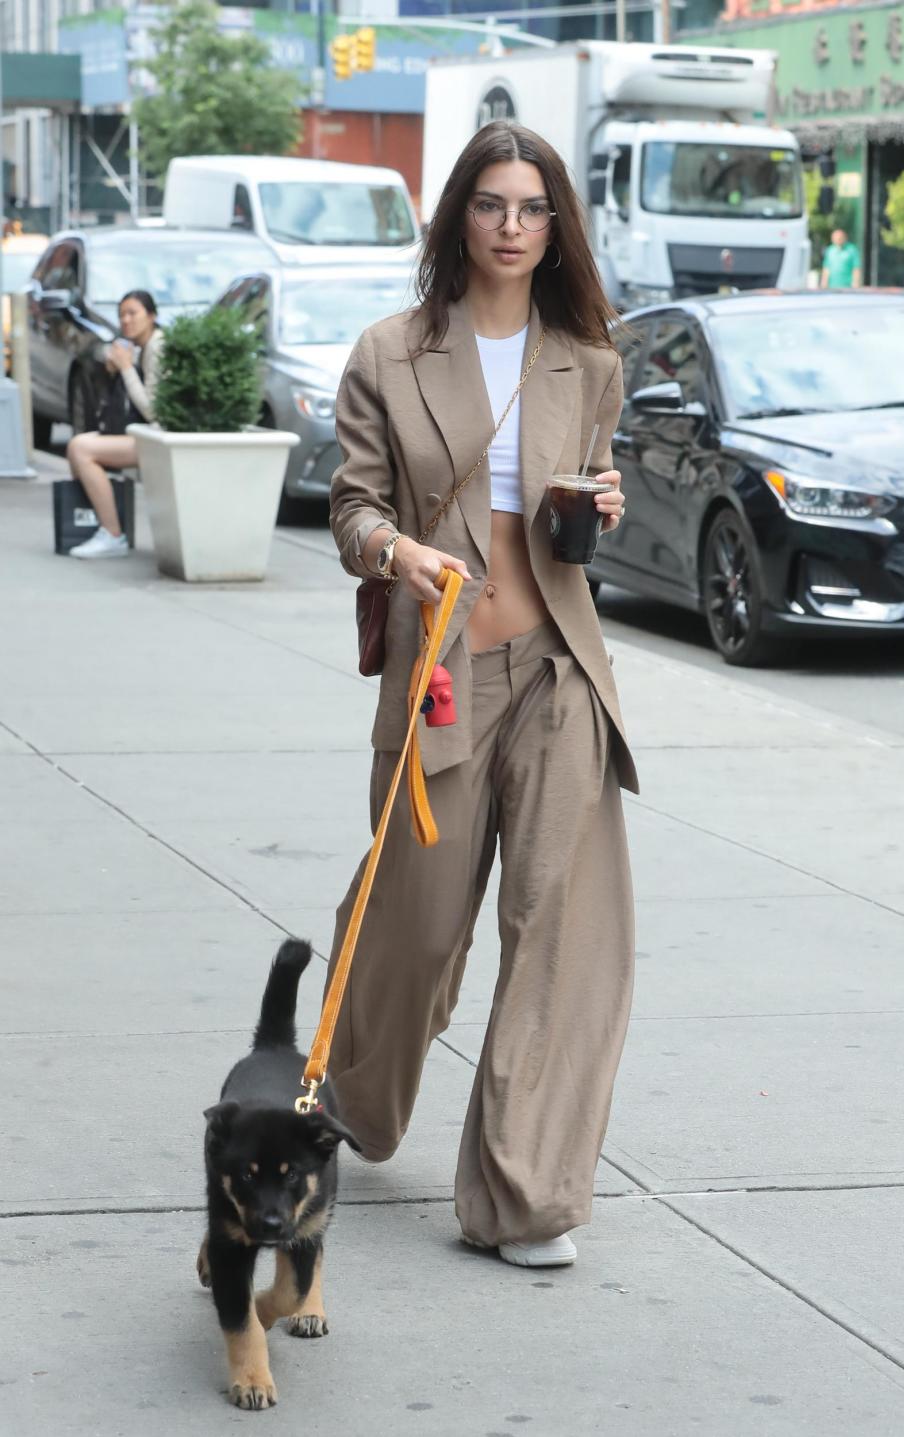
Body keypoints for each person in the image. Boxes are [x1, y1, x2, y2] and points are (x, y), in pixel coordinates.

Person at [325, 121, 638, 1269]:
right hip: (445, 679)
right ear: (458, 215)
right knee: (413, 925)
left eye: (533, 208)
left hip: (559, 666)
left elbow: (589, 505)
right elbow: (352, 506)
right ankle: (356, 1088)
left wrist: (600, 508)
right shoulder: (391, 351)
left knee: (562, 928)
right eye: (492, 205)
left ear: (557, 227)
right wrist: (391, 553)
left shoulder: (589, 362)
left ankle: (523, 1195)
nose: (512, 227)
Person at [67, 289, 164, 559]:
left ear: (152, 316)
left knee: (80, 449)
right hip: (145, 434)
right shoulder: (141, 348)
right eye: (122, 315)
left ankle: (112, 533)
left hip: (160, 437)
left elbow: (153, 409)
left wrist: (126, 369)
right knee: (80, 447)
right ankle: (101, 524)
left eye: (133, 313)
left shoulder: (158, 347)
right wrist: (115, 371)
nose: (126, 321)